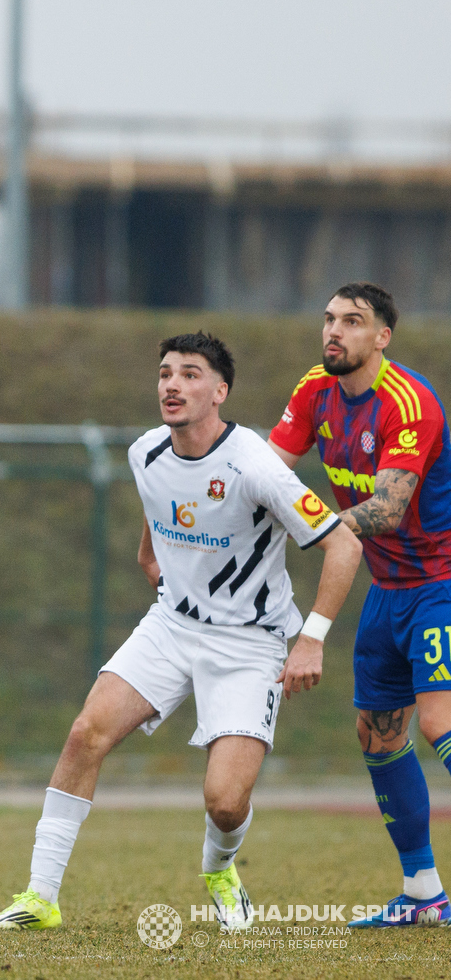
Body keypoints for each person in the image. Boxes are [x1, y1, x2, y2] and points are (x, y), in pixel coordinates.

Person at [0, 333, 362, 933]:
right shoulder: (147, 451)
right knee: (85, 735)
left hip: (249, 643)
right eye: (164, 374)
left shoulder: (255, 465)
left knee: (225, 802)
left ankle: (220, 870)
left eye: (189, 374)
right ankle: (40, 896)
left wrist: (311, 639)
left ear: (220, 391)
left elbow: (344, 545)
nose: (172, 386)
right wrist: (149, 556)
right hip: (172, 624)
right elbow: (159, 510)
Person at [268, 282, 451, 927]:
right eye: (329, 319)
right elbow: (267, 473)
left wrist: (312, 526)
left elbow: (388, 509)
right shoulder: (315, 390)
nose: (334, 331)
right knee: (377, 732)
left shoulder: (409, 402)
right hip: (386, 589)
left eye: (352, 321)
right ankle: (424, 894)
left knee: (439, 722)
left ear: (382, 337)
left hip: (441, 582)